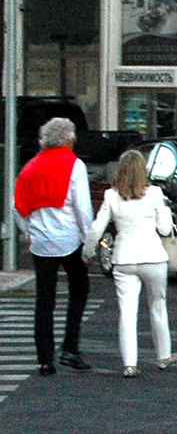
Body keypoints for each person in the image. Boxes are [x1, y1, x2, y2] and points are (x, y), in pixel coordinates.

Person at [85, 150, 177, 378]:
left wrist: (87, 252)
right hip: (153, 257)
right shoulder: (155, 194)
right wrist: (165, 209)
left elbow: (97, 228)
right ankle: (163, 355)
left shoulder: (111, 196)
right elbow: (165, 229)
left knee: (127, 311)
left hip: (124, 259)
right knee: (158, 306)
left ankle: (129, 363)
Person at [13, 118, 93, 376]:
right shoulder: (74, 165)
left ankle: (45, 359)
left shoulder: (30, 167)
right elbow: (82, 209)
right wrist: (89, 242)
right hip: (70, 239)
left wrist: (28, 231)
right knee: (79, 290)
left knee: (44, 302)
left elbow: (17, 206)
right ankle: (70, 347)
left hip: (41, 243)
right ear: (68, 139)